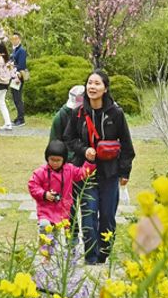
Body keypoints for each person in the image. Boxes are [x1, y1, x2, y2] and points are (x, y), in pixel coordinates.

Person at [64, 70, 134, 266]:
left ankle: (103, 253)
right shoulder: (78, 112)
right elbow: (69, 138)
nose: (92, 87)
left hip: (110, 174)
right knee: (88, 216)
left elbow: (127, 145)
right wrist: (84, 149)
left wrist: (124, 172)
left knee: (107, 218)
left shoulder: (116, 113)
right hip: (86, 173)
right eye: (89, 83)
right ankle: (91, 257)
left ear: (105, 88)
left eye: (97, 83)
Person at [28, 139, 94, 256]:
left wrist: (90, 161)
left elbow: (83, 173)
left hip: (63, 211)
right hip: (46, 210)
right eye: (52, 160)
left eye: (58, 160)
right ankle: (44, 254)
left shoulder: (70, 169)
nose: (55, 163)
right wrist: (44, 194)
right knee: (45, 227)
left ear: (64, 159)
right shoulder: (41, 172)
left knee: (54, 236)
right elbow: (33, 186)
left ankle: (50, 254)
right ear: (47, 158)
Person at [10, 37, 29, 125]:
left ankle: (21, 119)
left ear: (19, 40)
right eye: (12, 39)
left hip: (18, 76)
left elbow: (21, 65)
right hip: (14, 76)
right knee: (15, 97)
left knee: (18, 98)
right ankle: (18, 117)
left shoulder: (21, 51)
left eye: (15, 39)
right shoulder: (15, 50)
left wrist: (11, 66)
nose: (14, 41)